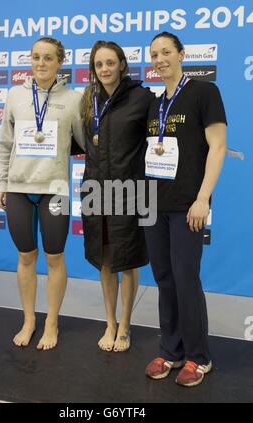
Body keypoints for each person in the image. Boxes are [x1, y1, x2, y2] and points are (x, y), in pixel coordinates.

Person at [144, 32, 227, 386]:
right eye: (154, 54)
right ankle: (171, 350)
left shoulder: (204, 92)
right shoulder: (154, 101)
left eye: (166, 52)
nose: (160, 59)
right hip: (153, 203)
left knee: (185, 279)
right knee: (163, 278)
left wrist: (203, 198)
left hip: (187, 205)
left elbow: (219, 146)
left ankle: (198, 357)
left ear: (181, 54)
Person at [0, 37, 84, 350]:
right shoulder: (15, 95)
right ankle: (30, 319)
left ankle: (52, 322)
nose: (41, 63)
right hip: (19, 188)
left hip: (56, 189)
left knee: (55, 257)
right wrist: (1, 182)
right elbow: (5, 143)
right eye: (36, 57)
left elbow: (84, 143)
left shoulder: (73, 99)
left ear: (60, 62)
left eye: (48, 58)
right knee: (25, 256)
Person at [80, 40, 155, 352]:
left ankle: (125, 326)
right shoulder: (88, 99)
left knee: (128, 261)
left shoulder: (142, 98)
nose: (105, 69)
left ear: (122, 64)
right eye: (99, 64)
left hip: (131, 190)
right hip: (94, 189)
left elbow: (162, 138)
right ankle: (109, 322)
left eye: (110, 62)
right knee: (105, 260)